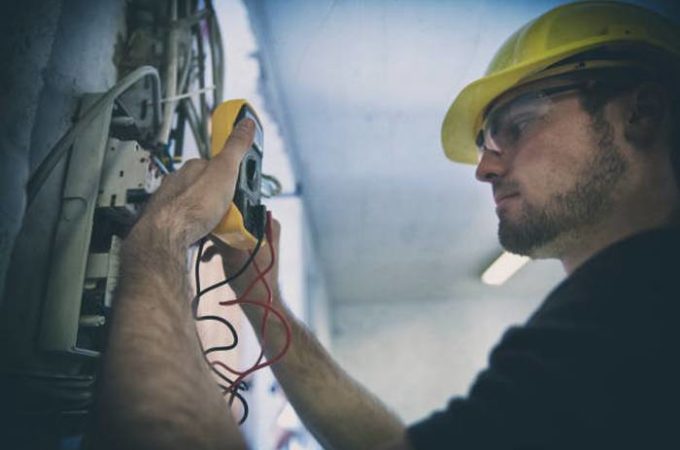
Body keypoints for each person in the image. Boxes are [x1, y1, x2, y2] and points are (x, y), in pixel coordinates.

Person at [89, 1, 680, 449]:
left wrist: (163, 235)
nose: (484, 167)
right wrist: (262, 300)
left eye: (515, 125)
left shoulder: (637, 312)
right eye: (485, 141)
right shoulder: (623, 325)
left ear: (641, 112)